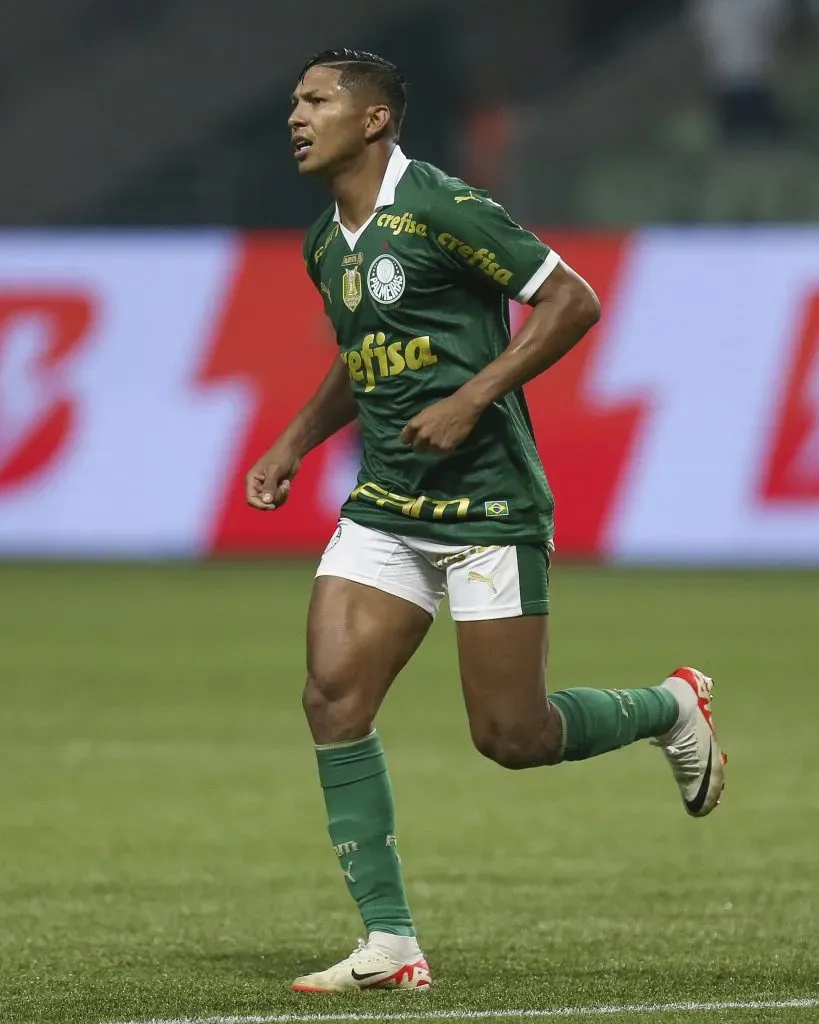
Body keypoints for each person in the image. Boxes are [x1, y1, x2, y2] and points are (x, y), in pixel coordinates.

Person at [246, 48, 727, 994]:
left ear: (374, 118)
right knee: (331, 698)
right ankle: (388, 943)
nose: (294, 116)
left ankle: (672, 705)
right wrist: (294, 441)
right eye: (293, 101)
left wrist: (472, 399)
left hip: (488, 503)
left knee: (513, 737)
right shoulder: (323, 242)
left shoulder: (441, 207)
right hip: (387, 502)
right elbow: (362, 354)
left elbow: (570, 301)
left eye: (314, 100)